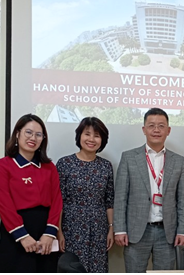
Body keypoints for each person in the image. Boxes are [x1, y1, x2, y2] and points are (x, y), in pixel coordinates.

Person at [113, 108, 184, 272]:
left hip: (167, 233)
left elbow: (183, 200)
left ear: (168, 130)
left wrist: (183, 231)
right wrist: (119, 229)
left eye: (161, 126)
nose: (156, 130)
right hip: (136, 232)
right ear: (144, 129)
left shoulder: (179, 161)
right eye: (152, 125)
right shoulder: (129, 158)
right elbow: (120, 198)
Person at [0, 114, 63, 272]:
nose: (33, 138)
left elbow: (57, 200)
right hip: (16, 231)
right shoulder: (3, 165)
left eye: (39, 135)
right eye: (28, 132)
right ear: (17, 133)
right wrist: (22, 236)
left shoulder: (49, 167)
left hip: (45, 230)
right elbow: (4, 204)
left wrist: (50, 234)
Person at [56, 117, 114, 273]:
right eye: (87, 134)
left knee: (98, 269)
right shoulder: (64, 163)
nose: (91, 139)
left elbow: (109, 201)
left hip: (99, 228)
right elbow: (58, 201)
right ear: (79, 136)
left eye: (96, 135)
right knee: (73, 268)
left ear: (102, 139)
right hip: (71, 227)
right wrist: (59, 231)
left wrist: (111, 229)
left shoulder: (106, 166)